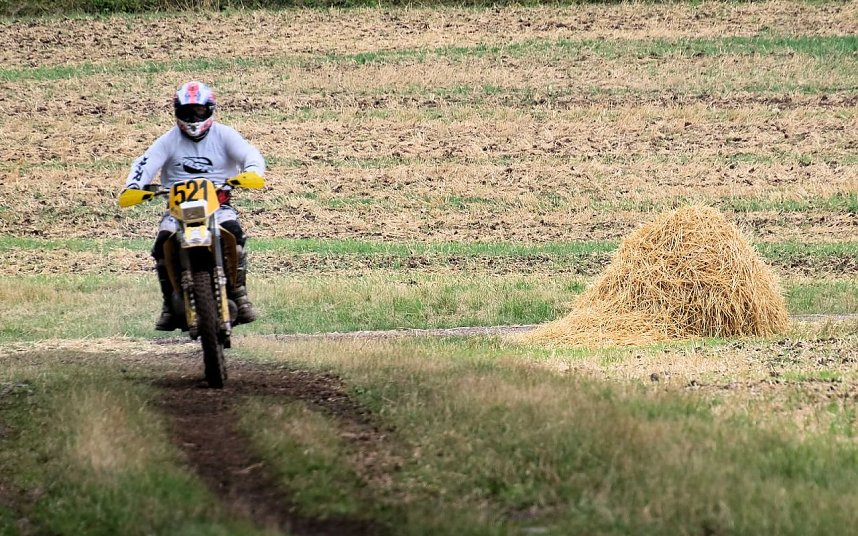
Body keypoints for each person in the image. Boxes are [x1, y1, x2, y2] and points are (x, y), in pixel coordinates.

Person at [121, 81, 265, 330]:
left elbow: (250, 155)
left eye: (198, 111)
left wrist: (251, 172)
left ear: (210, 110)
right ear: (177, 113)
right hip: (177, 212)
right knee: (161, 244)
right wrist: (134, 186)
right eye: (187, 112)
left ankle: (239, 295)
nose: (193, 117)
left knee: (236, 235)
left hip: (218, 207)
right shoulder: (167, 141)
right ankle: (169, 304)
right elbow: (143, 165)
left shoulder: (225, 135)